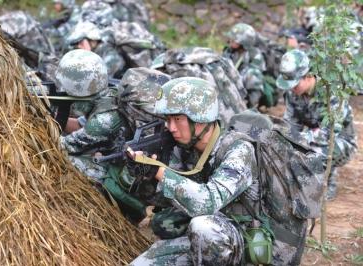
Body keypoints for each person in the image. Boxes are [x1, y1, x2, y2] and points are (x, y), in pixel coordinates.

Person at [127, 77, 308, 265]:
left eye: (178, 119)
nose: (170, 127)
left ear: (200, 118)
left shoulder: (239, 150)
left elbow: (207, 203)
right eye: (168, 119)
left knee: (204, 227)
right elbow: (167, 198)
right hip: (217, 240)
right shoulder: (187, 149)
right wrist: (146, 175)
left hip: (256, 245)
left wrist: (159, 171)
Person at [58, 57, 172, 221]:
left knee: (73, 161)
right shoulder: (111, 97)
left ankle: (132, 210)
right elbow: (82, 126)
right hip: (142, 171)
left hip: (143, 183)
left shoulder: (103, 121)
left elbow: (61, 148)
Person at [276, 49, 357, 200]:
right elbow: (290, 125)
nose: (292, 88)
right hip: (313, 137)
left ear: (307, 76)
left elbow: (329, 134)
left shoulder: (330, 92)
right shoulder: (293, 94)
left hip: (340, 142)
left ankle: (327, 183)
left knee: (315, 151)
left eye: (294, 84)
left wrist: (300, 139)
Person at [223, 23, 267, 108]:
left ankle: (251, 108)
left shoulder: (254, 54)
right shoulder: (229, 51)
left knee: (253, 75)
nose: (230, 40)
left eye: (234, 39)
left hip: (244, 87)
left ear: (244, 42)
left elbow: (255, 75)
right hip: (230, 84)